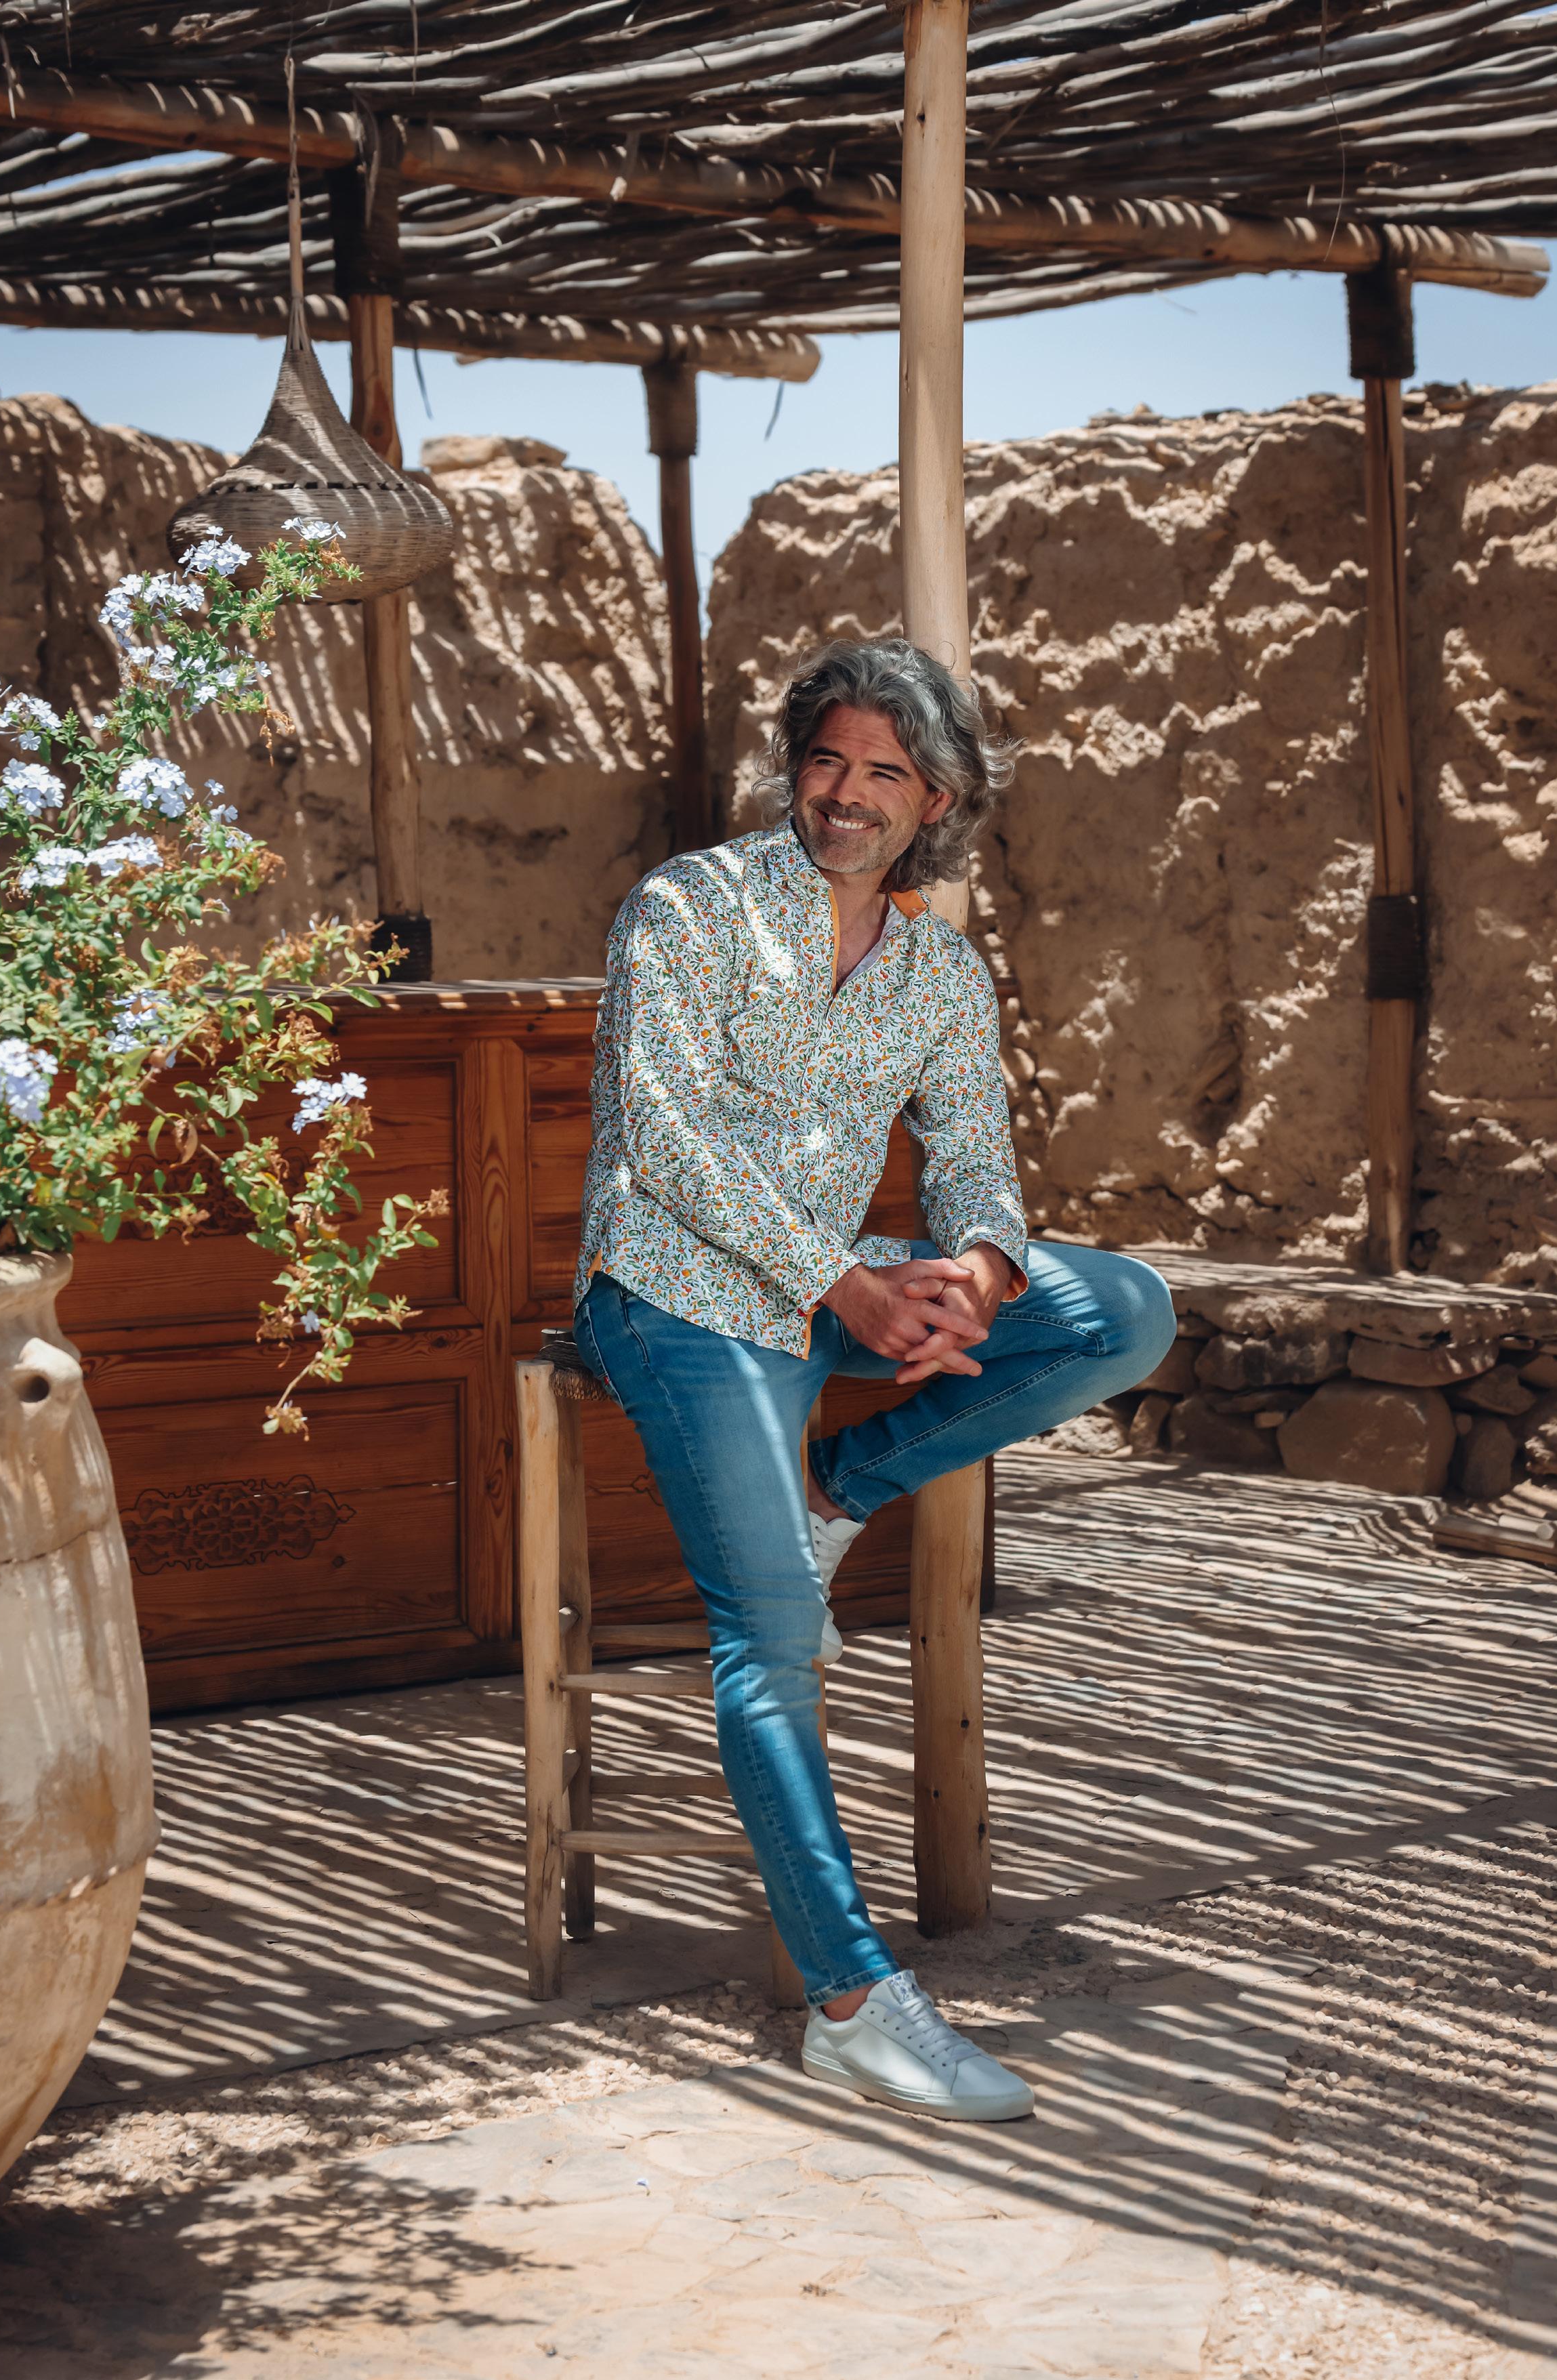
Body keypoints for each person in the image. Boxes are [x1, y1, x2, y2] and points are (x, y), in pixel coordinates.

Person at [573, 636, 1175, 2121]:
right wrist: (846, 1283)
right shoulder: (689, 905)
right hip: (672, 1291)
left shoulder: (939, 970)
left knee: (1121, 1311)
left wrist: (972, 1272)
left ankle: (841, 1487)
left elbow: (975, 1157)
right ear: (797, 769)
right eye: (827, 760)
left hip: (843, 1281)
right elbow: (665, 1138)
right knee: (773, 1633)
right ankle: (852, 2001)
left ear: (937, 799)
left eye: (884, 772)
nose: (846, 793)